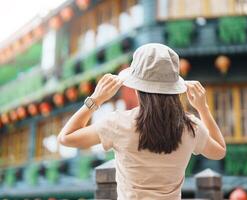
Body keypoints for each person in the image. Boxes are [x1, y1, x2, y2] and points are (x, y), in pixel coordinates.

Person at [58, 43, 226, 200]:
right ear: (174, 89)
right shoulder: (190, 126)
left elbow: (66, 137)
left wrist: (95, 99)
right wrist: (203, 108)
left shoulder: (118, 123)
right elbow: (219, 151)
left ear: (138, 88)